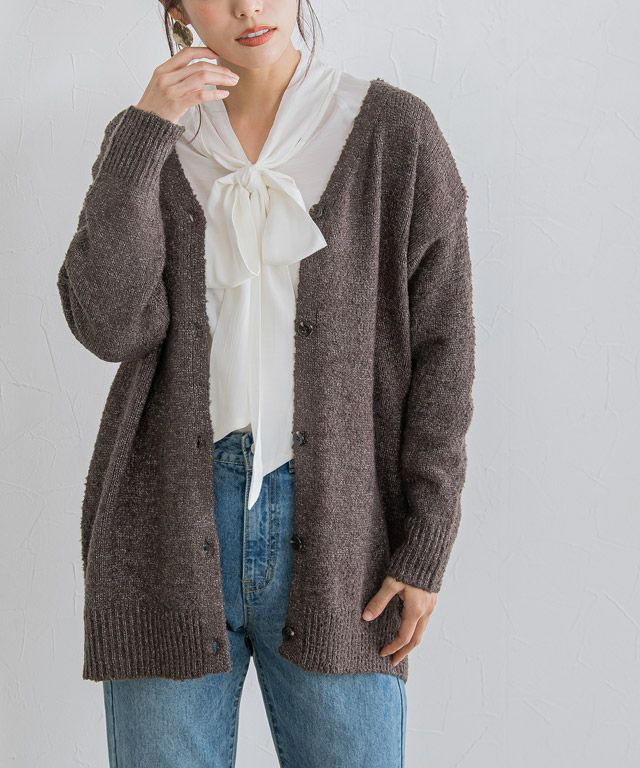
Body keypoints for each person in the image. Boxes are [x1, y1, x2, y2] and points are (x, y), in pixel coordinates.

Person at [56, 0, 476, 765]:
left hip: (347, 537)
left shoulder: (394, 133)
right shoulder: (148, 141)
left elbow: (444, 353)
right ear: (177, 9)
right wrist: (146, 132)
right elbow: (106, 326)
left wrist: (426, 539)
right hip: (166, 529)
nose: (249, 6)